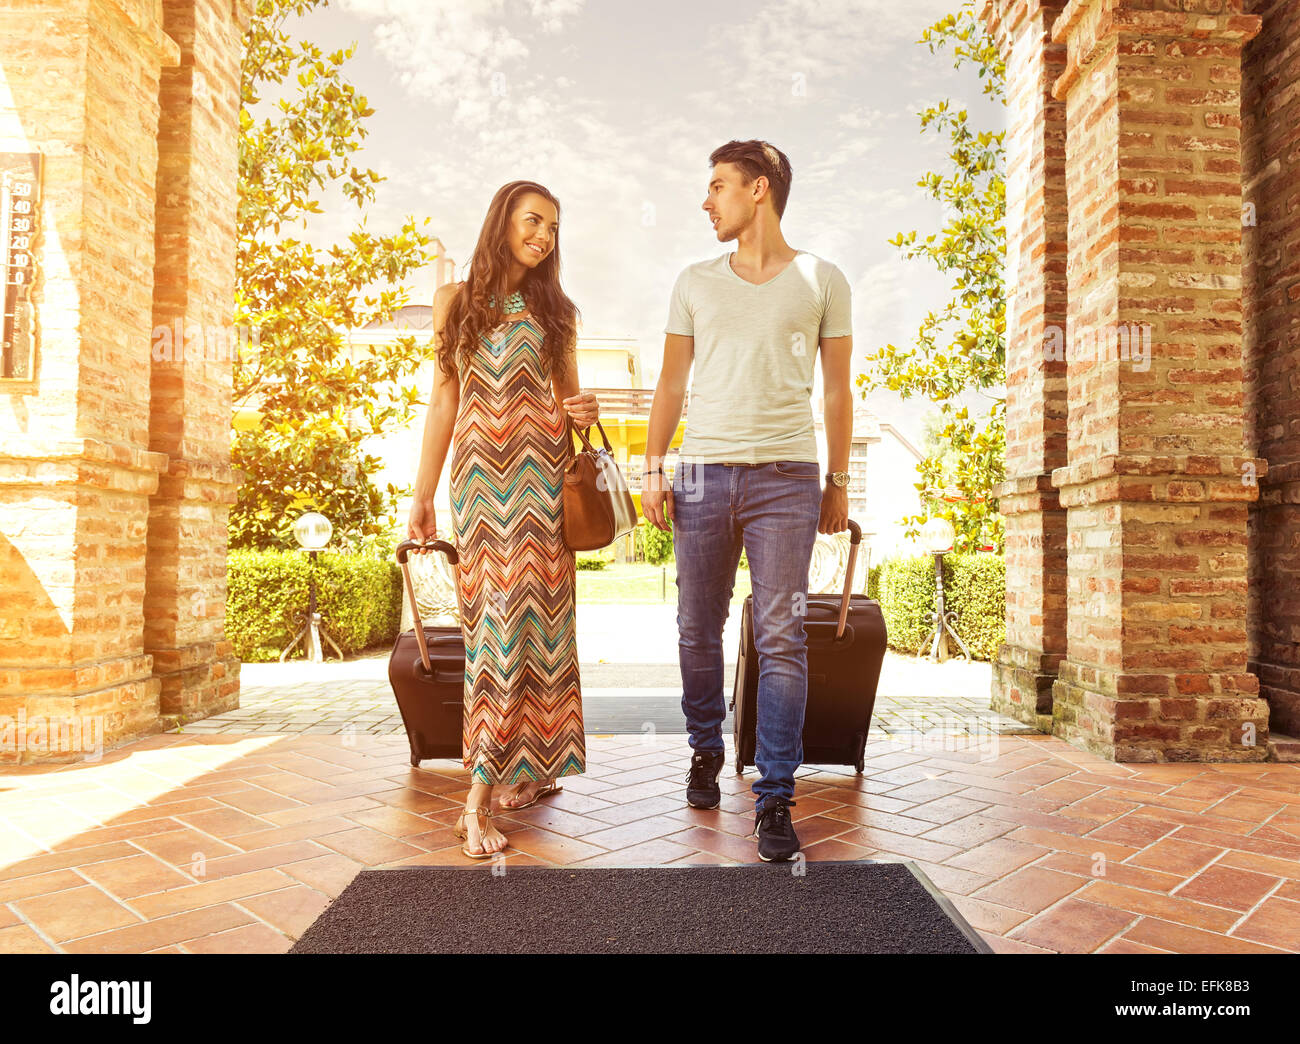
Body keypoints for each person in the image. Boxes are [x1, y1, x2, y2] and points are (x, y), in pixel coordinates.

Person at [642, 140, 853, 862]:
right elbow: (671, 384)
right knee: (697, 627)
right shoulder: (693, 281)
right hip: (701, 474)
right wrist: (651, 468)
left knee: (781, 636)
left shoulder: (822, 279)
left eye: (719, 187)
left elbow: (836, 390)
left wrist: (838, 481)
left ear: (758, 190)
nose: (707, 201)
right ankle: (706, 750)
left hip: (788, 479)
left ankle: (775, 798)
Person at [407, 180, 598, 859]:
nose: (543, 235)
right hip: (483, 492)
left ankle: (532, 771)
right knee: (499, 632)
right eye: (532, 220)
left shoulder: (559, 311)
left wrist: (586, 411)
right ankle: (476, 803)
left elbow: (574, 402)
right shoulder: (454, 302)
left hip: (545, 488)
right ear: (502, 222)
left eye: (552, 225)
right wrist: (421, 493)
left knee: (541, 627)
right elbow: (442, 403)